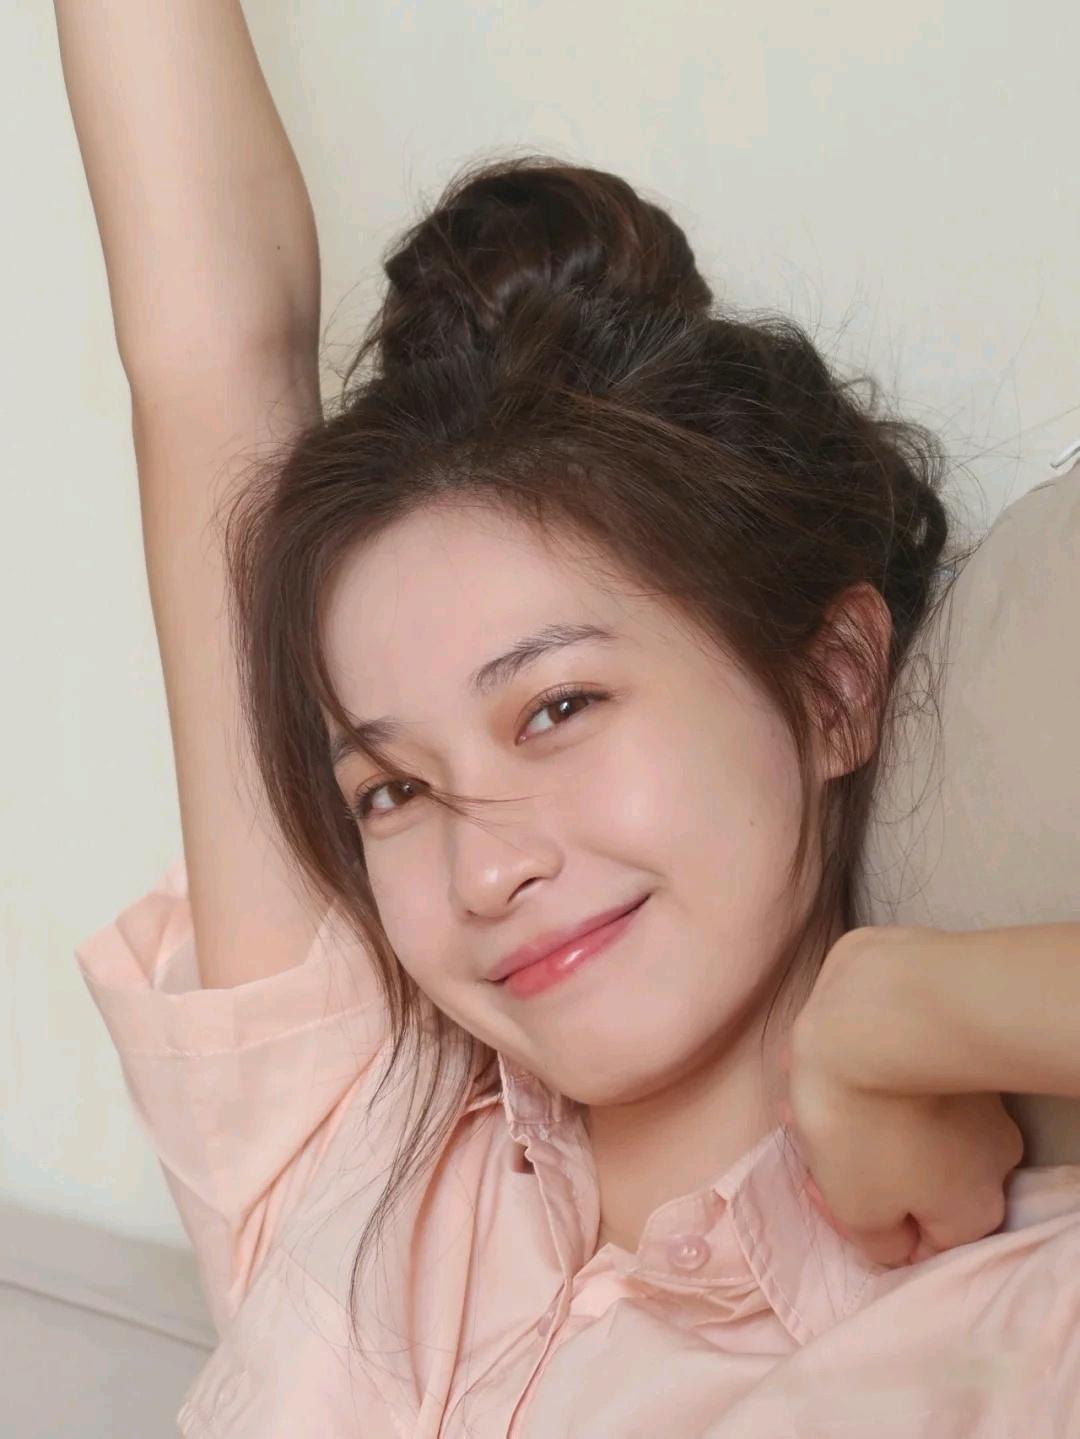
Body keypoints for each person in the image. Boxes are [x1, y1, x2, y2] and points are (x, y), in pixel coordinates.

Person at [55, 3, 1080, 1434]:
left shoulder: (1009, 1324)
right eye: (392, 791)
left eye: (556, 708)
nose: (484, 869)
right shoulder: (354, 1137)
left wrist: (900, 1014)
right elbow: (206, 359)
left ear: (835, 684)